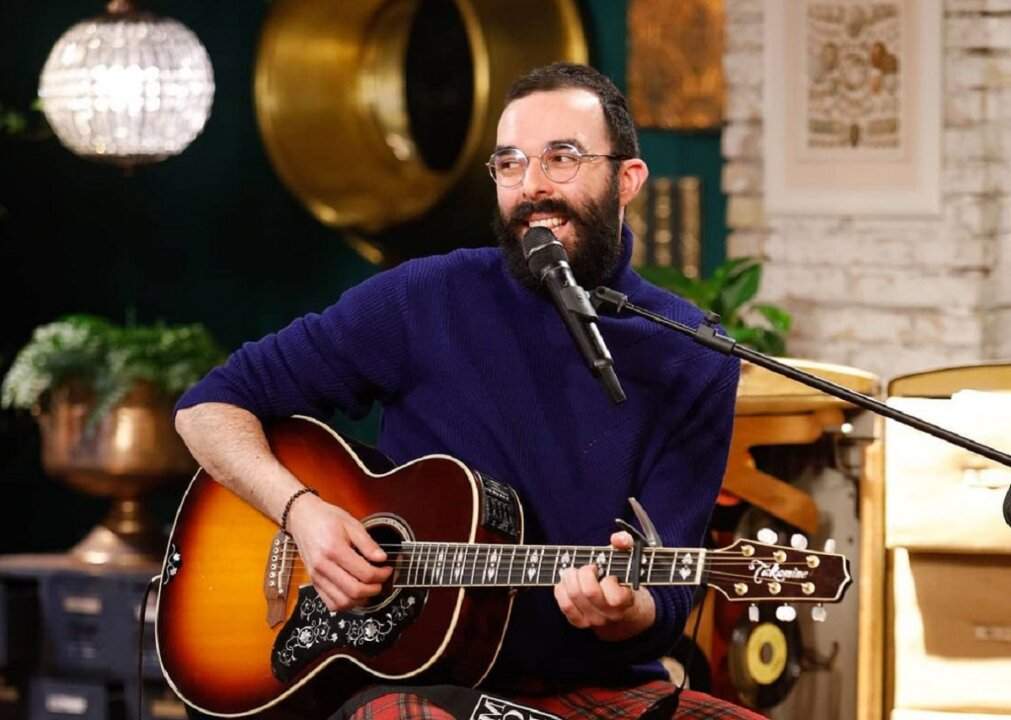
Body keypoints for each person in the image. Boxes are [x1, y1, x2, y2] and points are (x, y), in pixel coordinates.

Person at [174, 63, 761, 720]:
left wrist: (624, 609)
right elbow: (208, 408)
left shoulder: (692, 354)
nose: (531, 186)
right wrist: (301, 513)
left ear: (627, 179)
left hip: (593, 685)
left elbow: (668, 597)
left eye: (561, 158)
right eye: (509, 164)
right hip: (411, 684)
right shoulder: (423, 298)